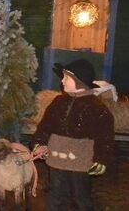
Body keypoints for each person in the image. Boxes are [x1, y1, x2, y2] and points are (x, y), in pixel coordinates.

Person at [32, 59, 114, 211]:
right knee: (55, 196)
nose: (62, 81)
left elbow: (105, 136)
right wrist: (40, 143)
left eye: (66, 78)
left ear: (80, 82)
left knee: (80, 197)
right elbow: (45, 126)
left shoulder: (96, 107)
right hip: (56, 159)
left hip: (80, 161)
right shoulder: (58, 102)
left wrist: (101, 159)